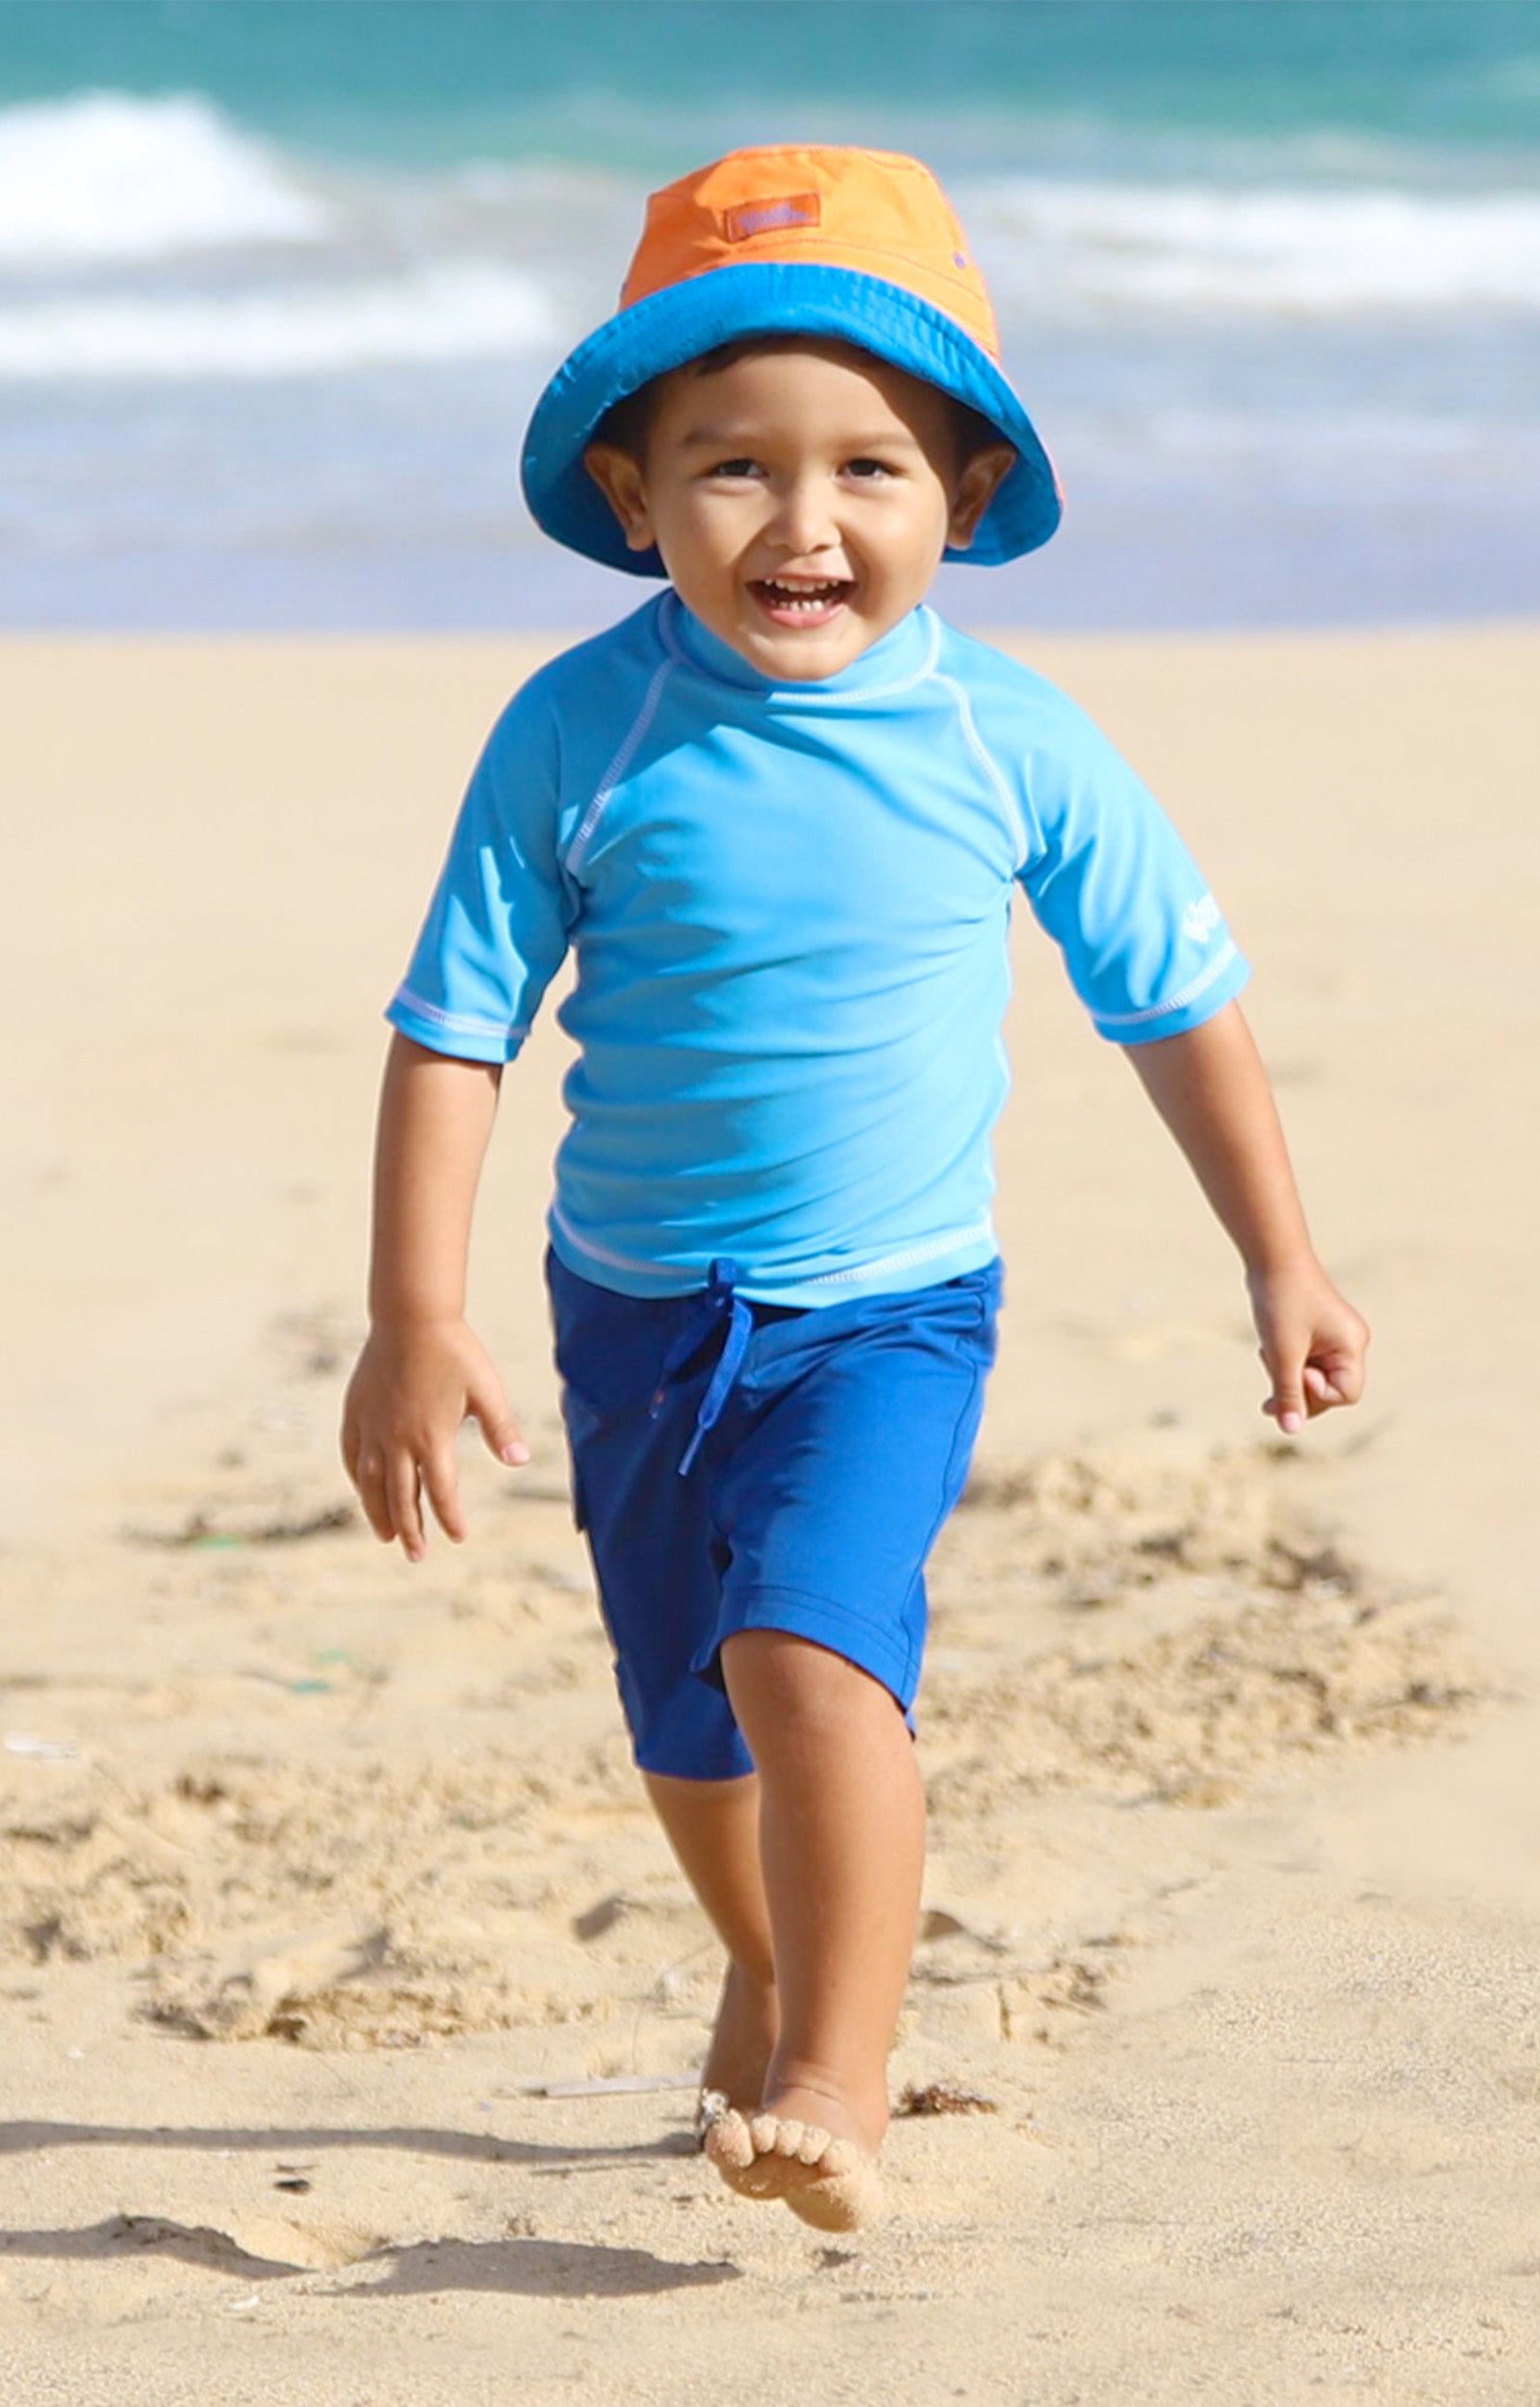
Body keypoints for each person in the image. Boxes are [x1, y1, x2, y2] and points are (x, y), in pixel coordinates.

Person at [341, 145, 1369, 2233]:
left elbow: (1170, 998)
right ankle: (755, 1950)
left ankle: (838, 2060)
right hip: (629, 1308)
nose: (800, 522)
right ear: (632, 497)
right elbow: (455, 1028)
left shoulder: (1012, 740)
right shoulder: (581, 730)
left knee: (811, 1643)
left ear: (962, 499)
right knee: (683, 1716)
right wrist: (412, 1312)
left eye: (868, 470)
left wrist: (1278, 1254)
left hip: (889, 1307)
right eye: (729, 468)